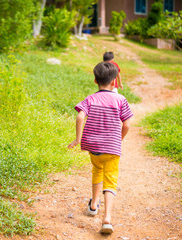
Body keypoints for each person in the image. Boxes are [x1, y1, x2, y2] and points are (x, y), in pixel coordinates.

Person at [68, 62, 133, 234]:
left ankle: (94, 205)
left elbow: (80, 115)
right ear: (114, 82)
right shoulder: (120, 99)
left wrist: (77, 139)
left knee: (97, 170)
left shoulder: (91, 98)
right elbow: (126, 125)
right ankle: (107, 219)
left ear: (95, 80)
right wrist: (119, 139)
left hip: (93, 147)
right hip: (111, 148)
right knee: (110, 180)